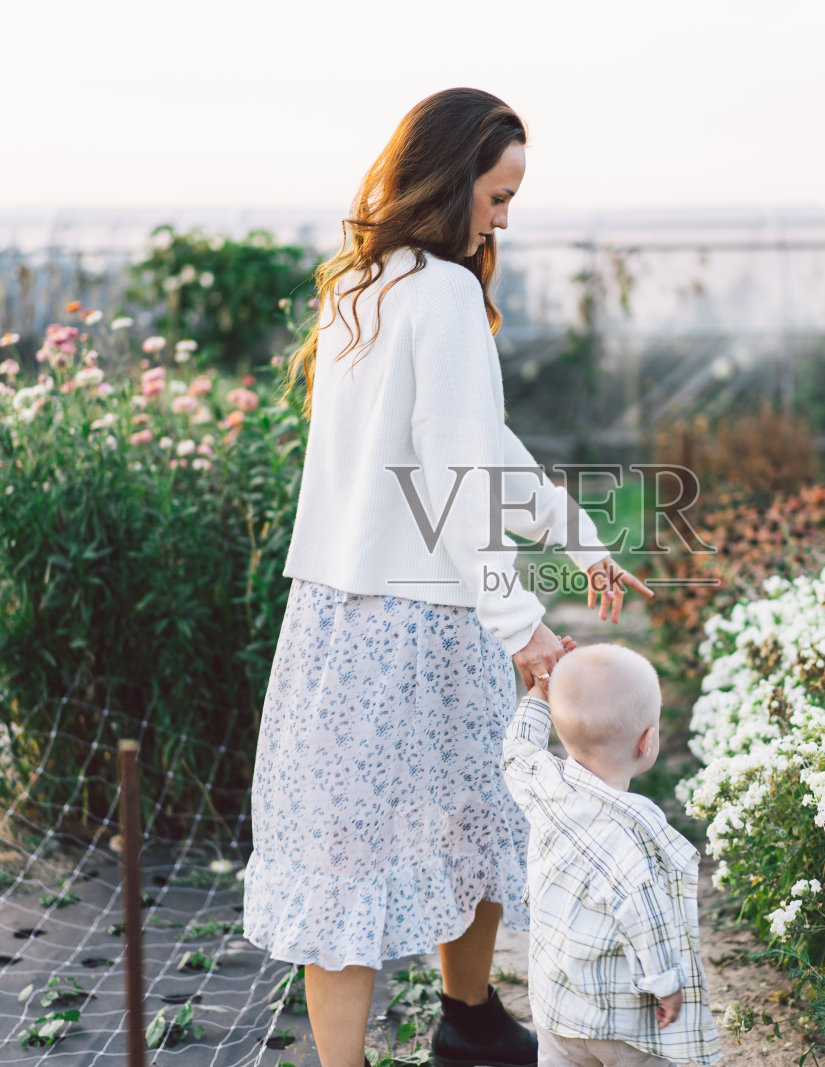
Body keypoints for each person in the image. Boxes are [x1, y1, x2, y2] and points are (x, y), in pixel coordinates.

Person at [241, 87, 654, 1067]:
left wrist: (576, 535)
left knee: (345, 849)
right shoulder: (445, 293)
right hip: (425, 621)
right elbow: (459, 467)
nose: (502, 220)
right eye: (497, 196)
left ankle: (458, 1026)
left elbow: (476, 444)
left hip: (333, 616)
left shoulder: (362, 285)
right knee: (469, 818)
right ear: (449, 177)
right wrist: (520, 623)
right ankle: (466, 1019)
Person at [504, 644, 721, 1067]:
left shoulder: (543, 785)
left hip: (556, 1008)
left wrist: (538, 696)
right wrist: (666, 983)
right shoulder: (634, 834)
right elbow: (647, 915)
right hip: (624, 1021)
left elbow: (517, 750)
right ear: (647, 741)